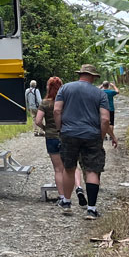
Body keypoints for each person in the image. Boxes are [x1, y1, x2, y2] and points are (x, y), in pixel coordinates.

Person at [54, 64, 116, 219]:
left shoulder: (65, 88)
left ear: (80, 74)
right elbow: (105, 119)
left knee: (69, 168)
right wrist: (100, 137)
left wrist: (60, 129)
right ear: (94, 77)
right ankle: (91, 209)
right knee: (92, 170)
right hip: (92, 135)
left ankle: (67, 203)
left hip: (69, 133)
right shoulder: (99, 93)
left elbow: (56, 110)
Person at [35, 77, 86, 207]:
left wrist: (46, 129)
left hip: (52, 137)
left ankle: (63, 198)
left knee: (59, 169)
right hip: (68, 135)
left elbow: (38, 121)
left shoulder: (45, 103)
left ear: (48, 87)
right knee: (72, 166)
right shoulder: (67, 101)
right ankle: (78, 187)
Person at [101, 81, 119, 145]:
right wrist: (113, 86)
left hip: (102, 109)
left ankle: (104, 136)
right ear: (108, 86)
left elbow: (95, 91)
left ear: (103, 86)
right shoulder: (111, 92)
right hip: (110, 109)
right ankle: (111, 136)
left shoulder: (100, 92)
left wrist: (101, 86)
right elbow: (117, 91)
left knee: (103, 122)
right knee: (111, 123)